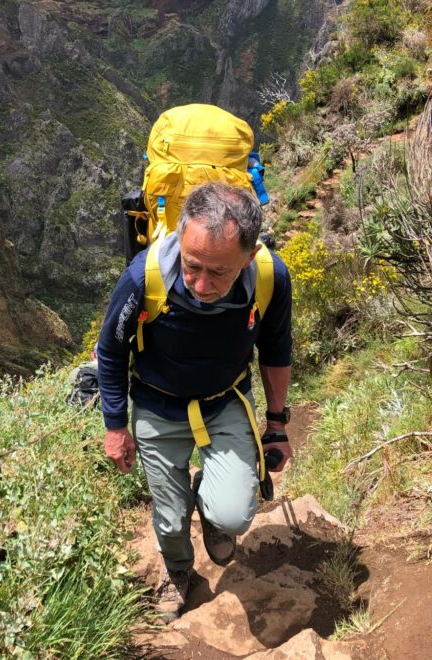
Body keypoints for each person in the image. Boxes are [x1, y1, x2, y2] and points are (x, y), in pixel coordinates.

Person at [96, 181, 293, 621]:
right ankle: (178, 572)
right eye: (192, 266)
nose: (202, 284)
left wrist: (277, 424)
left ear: (248, 255)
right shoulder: (142, 277)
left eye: (219, 272)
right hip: (156, 405)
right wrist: (115, 426)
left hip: (225, 402)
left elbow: (277, 350)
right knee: (169, 517)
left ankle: (211, 501)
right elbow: (111, 348)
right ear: (181, 239)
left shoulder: (270, 277)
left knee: (234, 516)